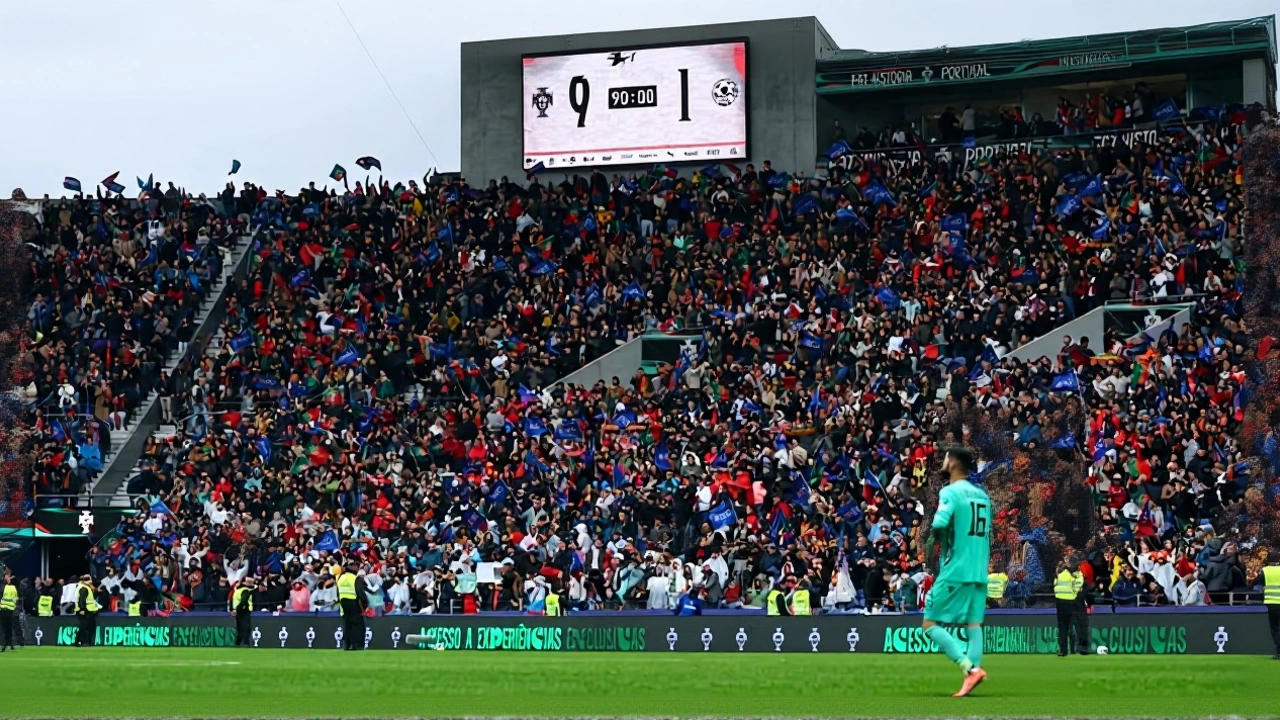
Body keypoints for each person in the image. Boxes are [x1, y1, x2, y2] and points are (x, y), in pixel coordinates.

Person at [922, 446, 991, 698]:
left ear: (951, 462)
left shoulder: (950, 492)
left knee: (929, 623)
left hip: (956, 568)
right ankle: (970, 679)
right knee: (974, 625)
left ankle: (968, 668)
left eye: (944, 458)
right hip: (979, 569)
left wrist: (935, 544)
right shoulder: (982, 496)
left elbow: (939, 524)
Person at [1053, 555, 1089, 656]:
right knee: (1079, 625)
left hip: (1060, 602)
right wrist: (1073, 594)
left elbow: (1055, 585)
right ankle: (1082, 649)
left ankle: (1063, 650)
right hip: (1073, 602)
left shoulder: (1059, 572)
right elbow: (1078, 586)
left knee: (1063, 627)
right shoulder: (1076, 573)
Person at [337, 561, 367, 651]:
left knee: (347, 624)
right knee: (357, 624)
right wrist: (365, 606)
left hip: (343, 602)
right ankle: (357, 645)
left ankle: (347, 645)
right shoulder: (355, 579)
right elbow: (360, 593)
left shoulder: (341, 578)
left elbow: (337, 592)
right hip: (353, 602)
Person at [1254, 563, 1280, 659]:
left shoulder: (1265, 571)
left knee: (1275, 628)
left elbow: (1257, 587)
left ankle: (1279, 651)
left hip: (1272, 602)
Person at [75, 574, 99, 647]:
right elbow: (82, 599)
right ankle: (79, 641)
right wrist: (82, 609)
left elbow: (91, 598)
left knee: (88, 627)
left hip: (89, 611)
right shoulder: (84, 588)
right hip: (85, 611)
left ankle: (87, 642)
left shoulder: (86, 587)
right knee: (84, 627)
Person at [232, 576, 255, 647]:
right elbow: (243, 601)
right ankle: (246, 643)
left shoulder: (237, 591)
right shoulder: (245, 590)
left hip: (238, 612)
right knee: (246, 628)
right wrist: (239, 608)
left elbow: (232, 601)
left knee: (240, 629)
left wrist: (234, 609)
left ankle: (237, 643)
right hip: (244, 611)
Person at [1, 569, 17, 651]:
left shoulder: (12, 585)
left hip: (8, 609)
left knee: (8, 626)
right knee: (6, 627)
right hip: (4, 608)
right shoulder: (4, 585)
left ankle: (8, 643)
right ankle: (7, 643)